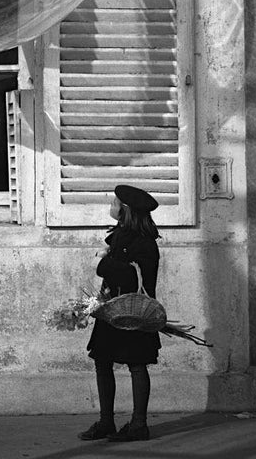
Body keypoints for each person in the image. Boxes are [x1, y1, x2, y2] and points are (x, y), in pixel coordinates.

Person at [78, 184, 162, 443]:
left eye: (115, 203)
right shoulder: (120, 236)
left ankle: (139, 425)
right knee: (102, 361)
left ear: (124, 210)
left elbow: (129, 276)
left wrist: (103, 264)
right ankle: (106, 422)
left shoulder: (144, 243)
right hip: (113, 310)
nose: (111, 206)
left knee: (137, 365)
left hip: (133, 312)